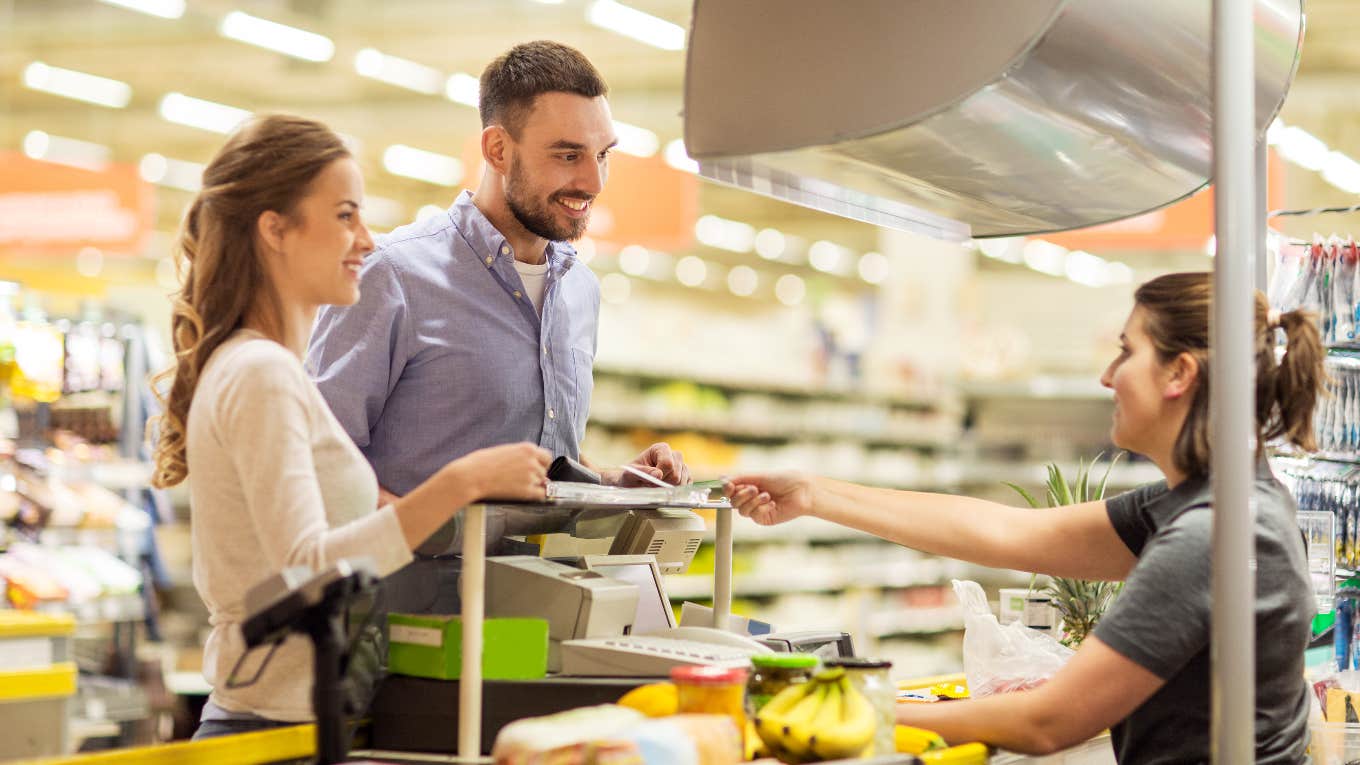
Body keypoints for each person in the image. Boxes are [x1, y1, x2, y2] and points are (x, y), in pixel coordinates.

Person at [726, 272, 1321, 764]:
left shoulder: (1210, 534)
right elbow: (1007, 532)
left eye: (1127, 350)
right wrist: (813, 493)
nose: (1107, 376)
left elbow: (1047, 722)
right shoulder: (1212, 504)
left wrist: (839, 705)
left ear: (1179, 373)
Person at [148, 114, 552, 739]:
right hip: (270, 731)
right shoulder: (260, 373)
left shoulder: (262, 368)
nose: (367, 239)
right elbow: (306, 571)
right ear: (275, 230)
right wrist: (461, 483)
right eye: (344, 216)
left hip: (296, 720)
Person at [306, 40, 687, 611]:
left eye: (603, 154)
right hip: (402, 631)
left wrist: (609, 484)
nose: (594, 181)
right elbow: (320, 467)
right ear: (498, 149)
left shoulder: (579, 291)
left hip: (539, 622)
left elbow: (538, 463)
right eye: (567, 155)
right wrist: (439, 529)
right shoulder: (394, 274)